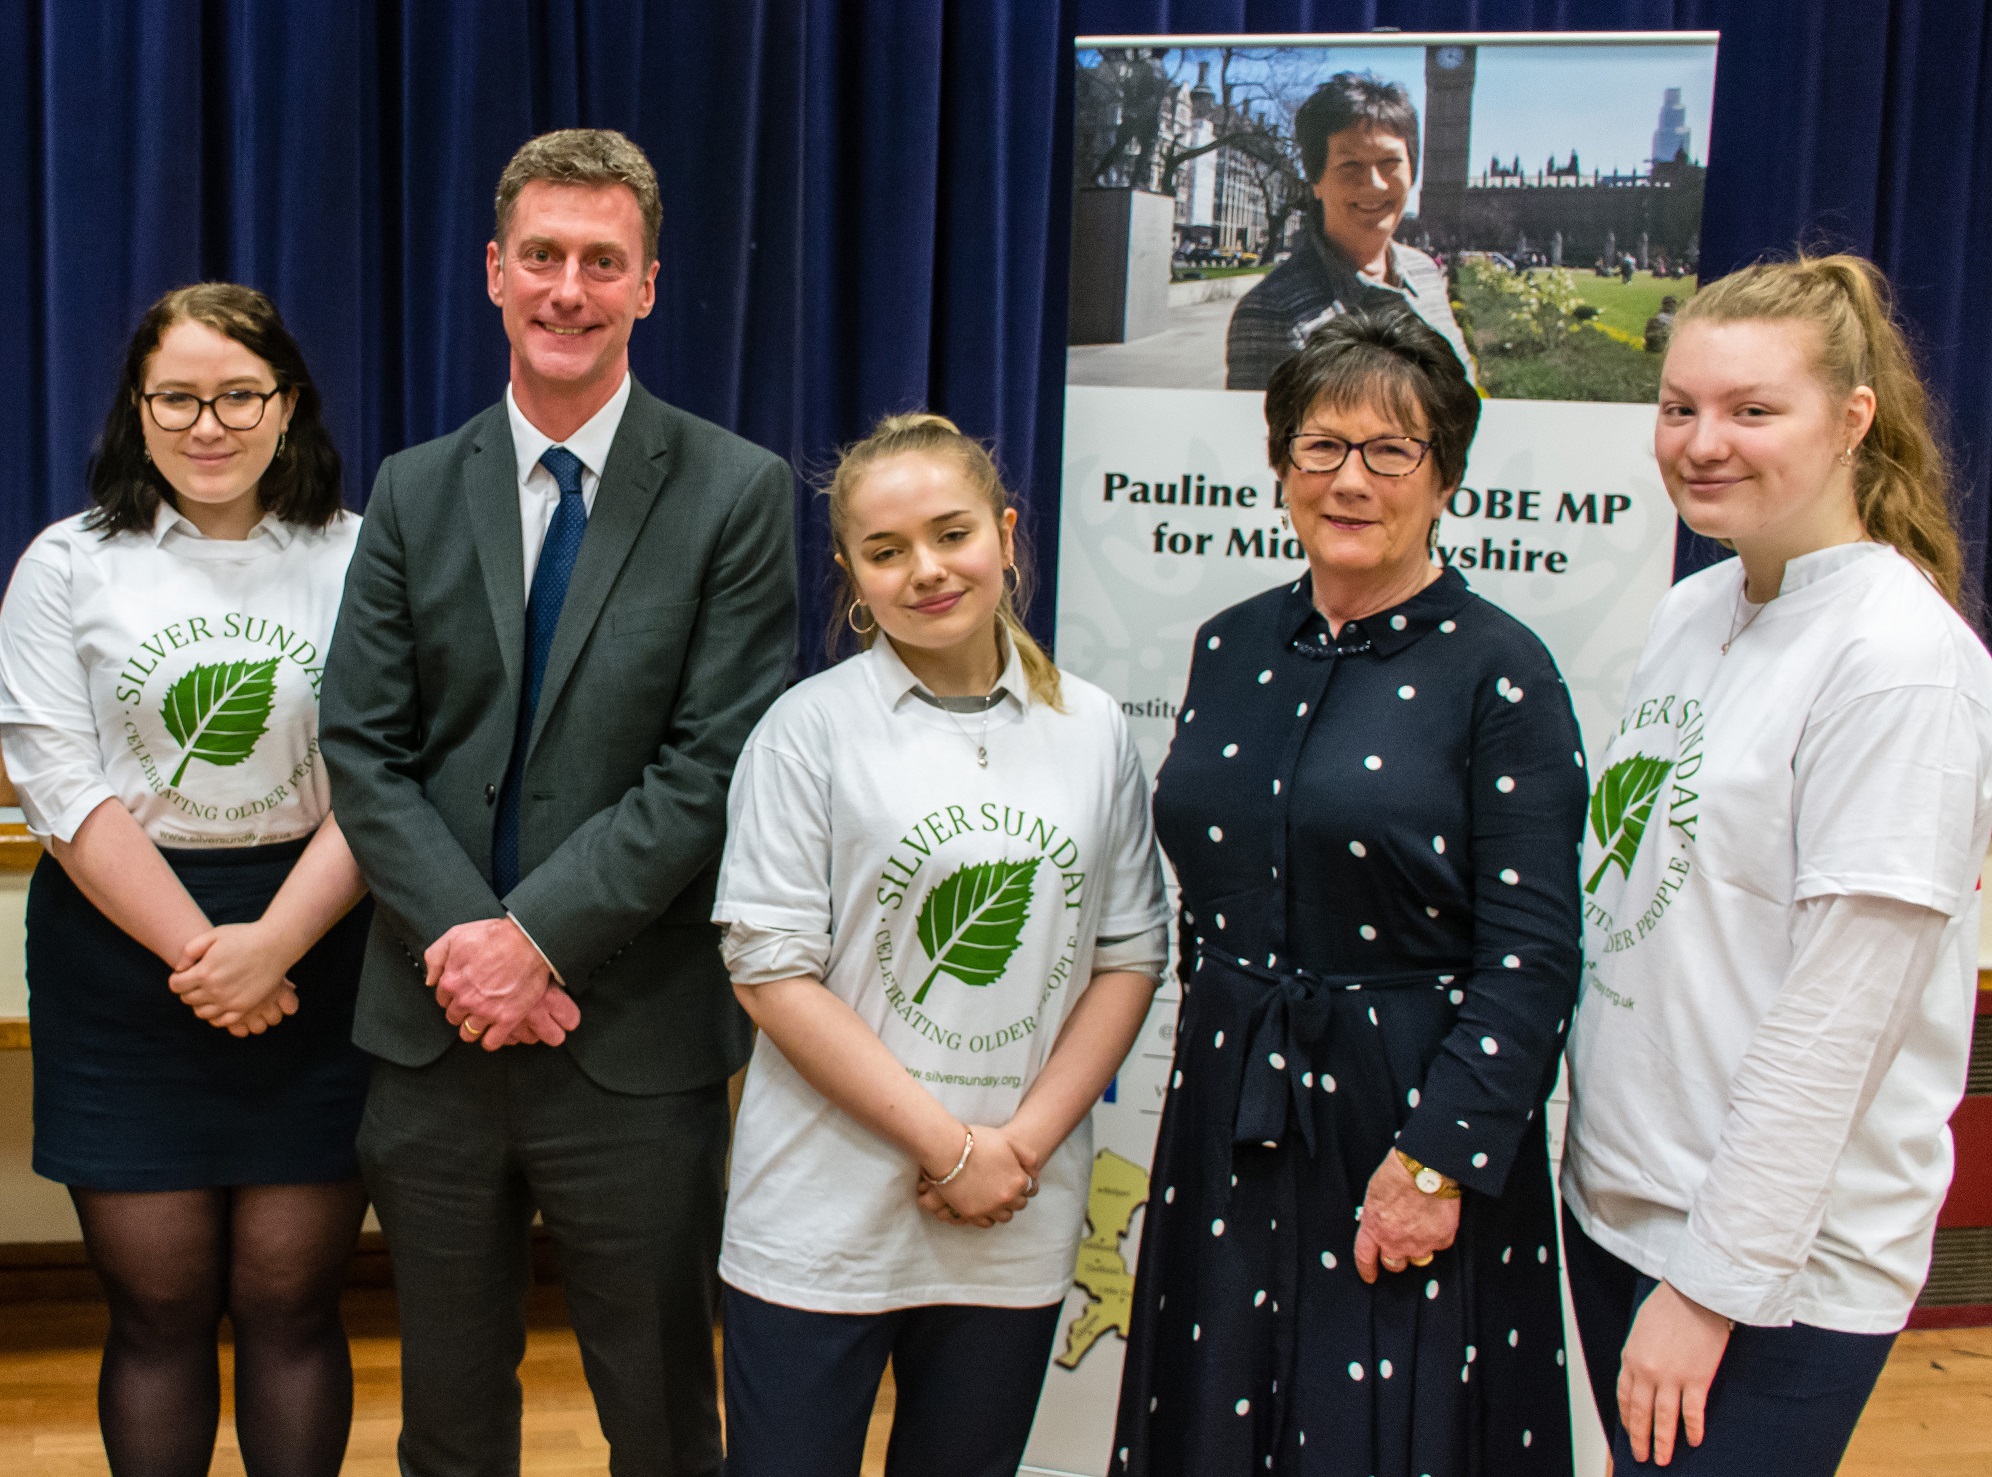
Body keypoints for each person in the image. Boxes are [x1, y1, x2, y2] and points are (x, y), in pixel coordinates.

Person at [318, 129, 795, 1477]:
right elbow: (362, 744)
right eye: (542, 257)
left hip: (634, 1043)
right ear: (493, 272)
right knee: (450, 1423)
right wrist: (474, 949)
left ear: (648, 285)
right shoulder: (414, 489)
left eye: (602, 262)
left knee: (657, 1418)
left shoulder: (736, 492)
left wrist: (531, 946)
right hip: (433, 1034)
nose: (568, 289)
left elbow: (713, 762)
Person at [1113, 304, 1587, 1476]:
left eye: (1392, 450)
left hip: (1410, 1120)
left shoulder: (1503, 671)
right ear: (1280, 468)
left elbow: (1533, 958)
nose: (1351, 478)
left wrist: (1437, 1162)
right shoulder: (1228, 645)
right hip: (1233, 1102)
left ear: (1447, 479)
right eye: (1321, 446)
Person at [1560, 254, 1992, 1474]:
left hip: (1767, 1274)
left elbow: (1833, 1026)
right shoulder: (1697, 611)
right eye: (1681, 406)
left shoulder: (1900, 662)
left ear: (1853, 420)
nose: (1705, 441)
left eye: (1755, 410)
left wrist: (1711, 1290)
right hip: (1621, 1207)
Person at [713, 412, 1169, 1477]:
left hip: (1011, 1218)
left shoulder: (1093, 728)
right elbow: (771, 972)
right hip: (820, 1223)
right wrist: (951, 1148)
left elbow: (1130, 953)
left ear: (1008, 534)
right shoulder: (807, 731)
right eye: (885, 550)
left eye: (952, 533)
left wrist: (1013, 1156)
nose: (926, 569)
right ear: (849, 573)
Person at [0, 283, 372, 1476]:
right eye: (177, 397)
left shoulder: (359, 554)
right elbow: (60, 785)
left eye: (238, 396)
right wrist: (205, 953)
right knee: (155, 1312)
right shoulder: (67, 564)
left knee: (292, 1305)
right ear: (138, 407)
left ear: (288, 404)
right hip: (120, 952)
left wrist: (272, 945)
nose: (207, 425)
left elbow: (388, 773)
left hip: (319, 937)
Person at [1226, 73, 1474, 392]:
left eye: (1389, 162)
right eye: (1350, 165)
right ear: (1316, 181)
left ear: (1412, 172)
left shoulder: (1425, 273)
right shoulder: (1271, 311)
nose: (1374, 183)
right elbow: (1262, 439)